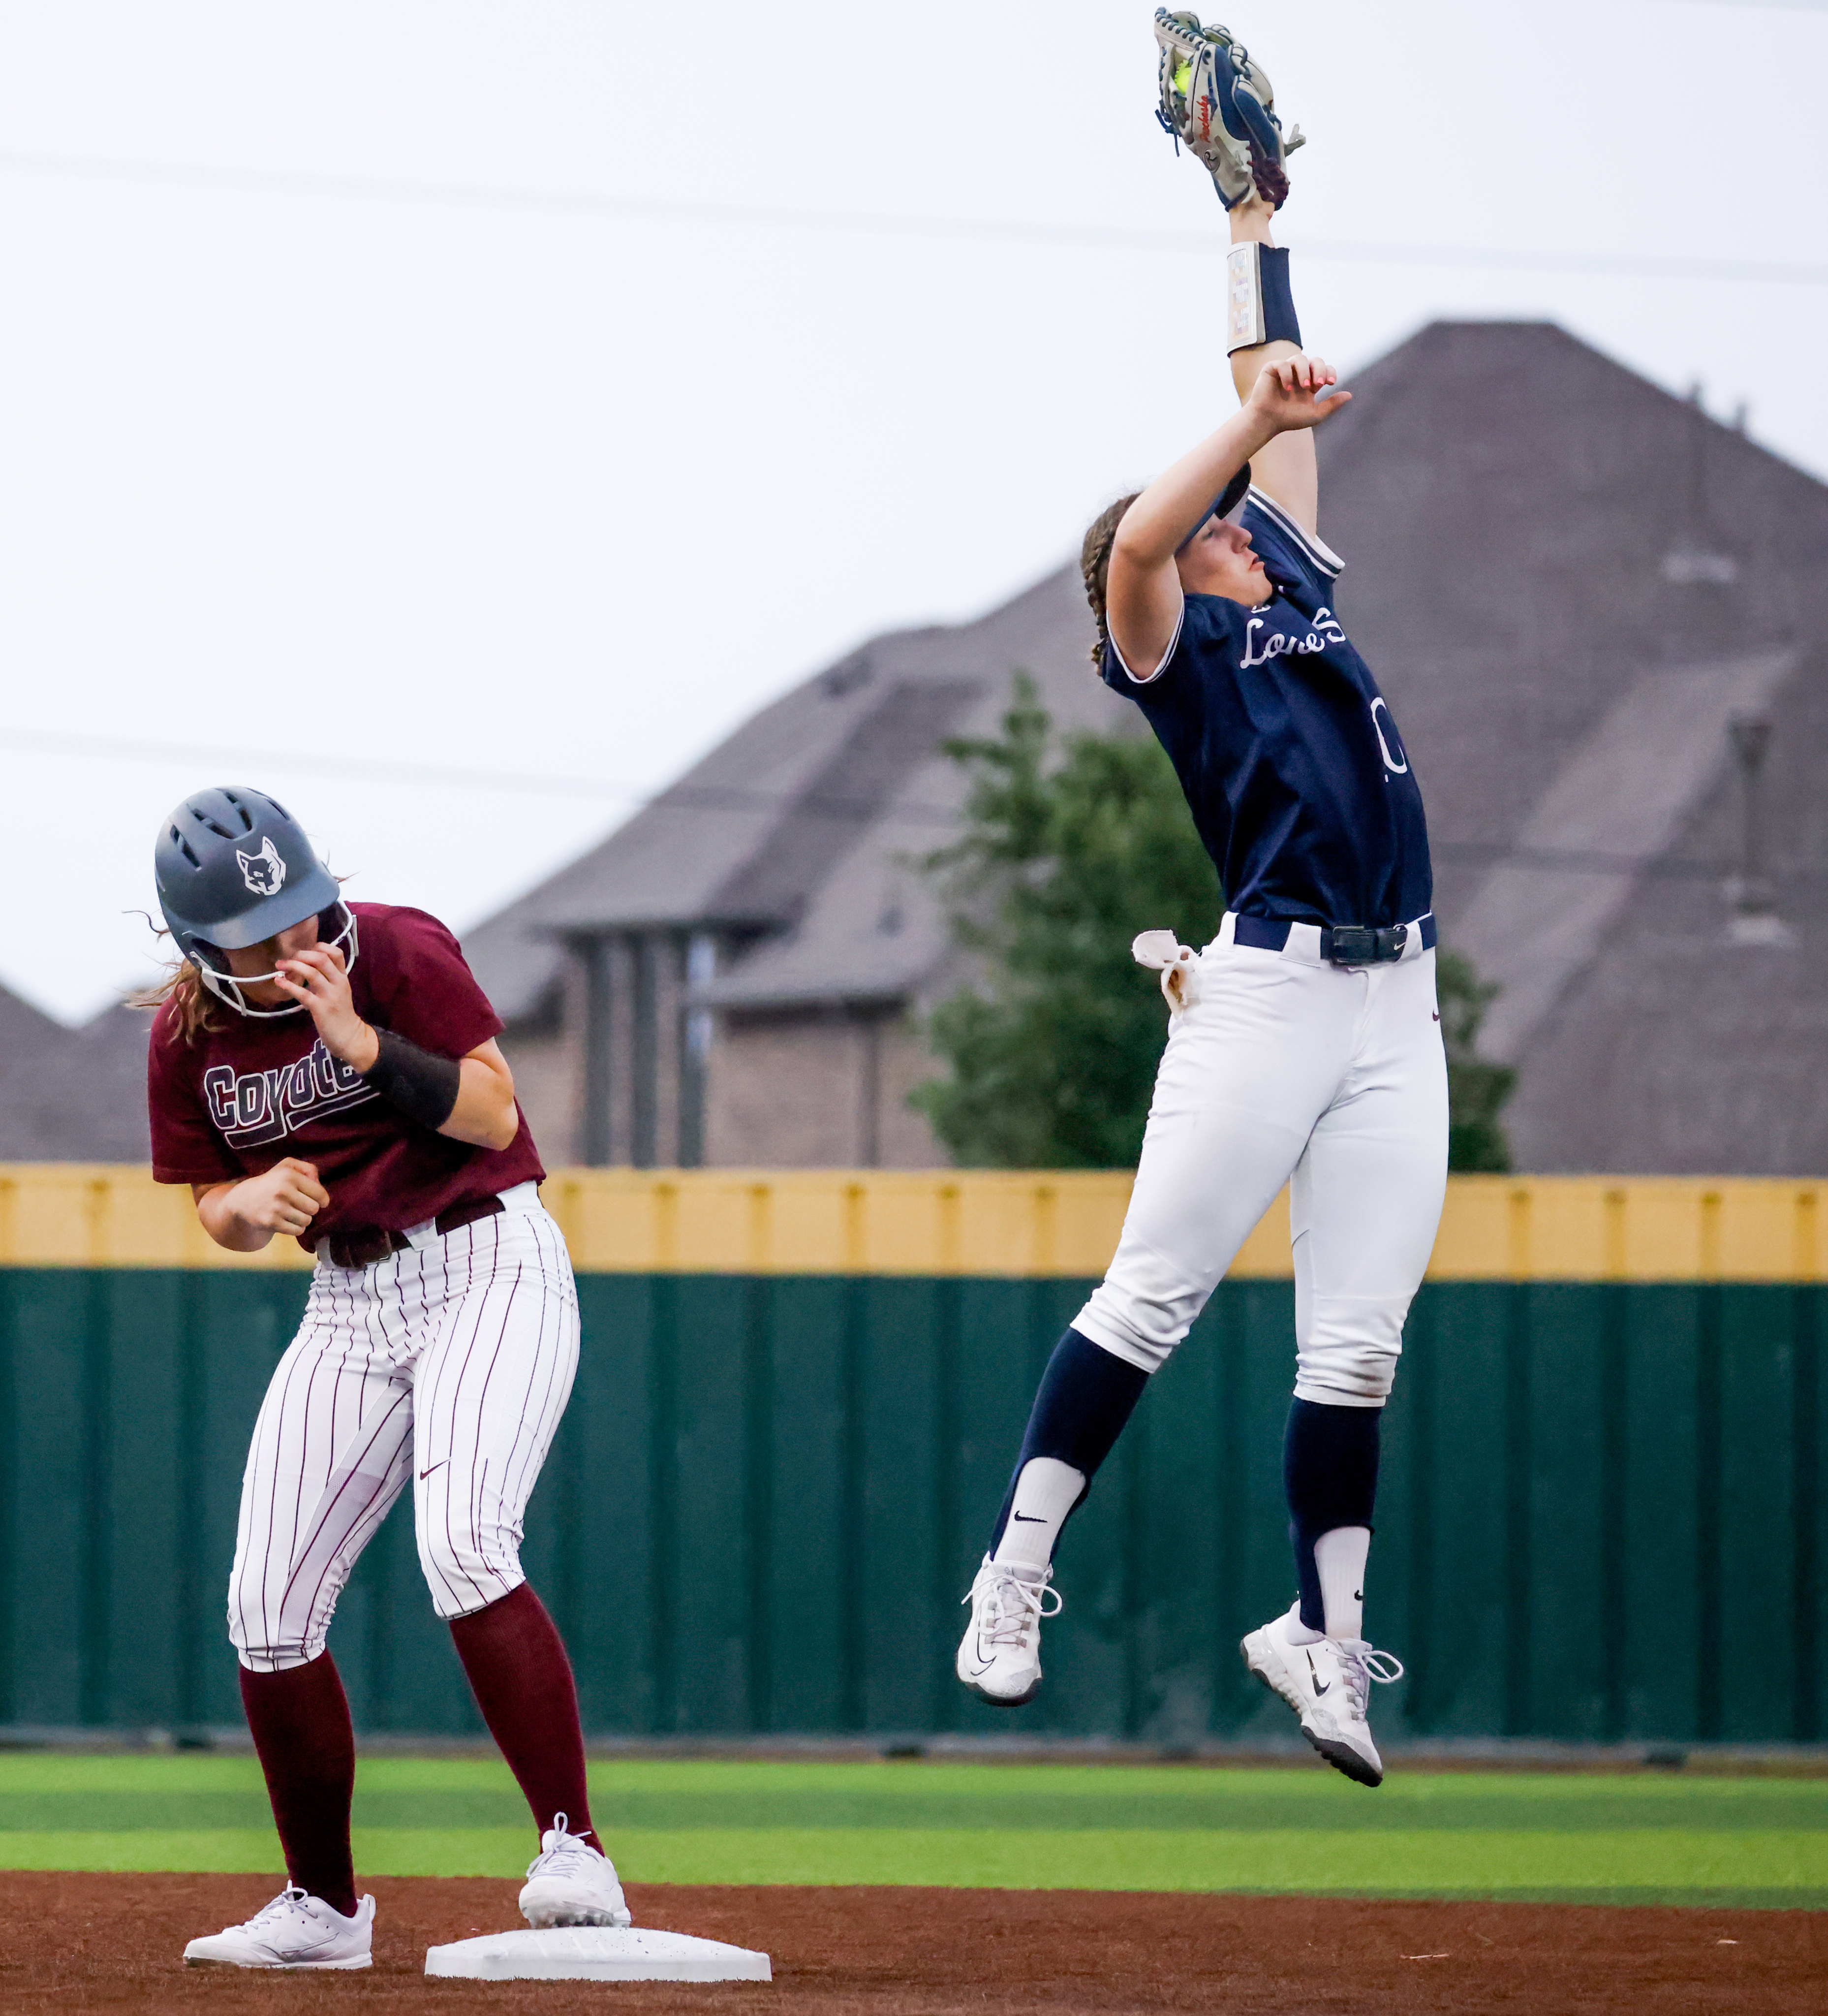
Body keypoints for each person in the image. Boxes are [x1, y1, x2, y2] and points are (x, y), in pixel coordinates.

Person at [955, 14, 1443, 1788]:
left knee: (1360, 1339)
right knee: (1153, 1291)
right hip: (1266, 990)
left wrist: (1251, 222)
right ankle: (1011, 1576)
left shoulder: (1292, 581)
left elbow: (1273, 379)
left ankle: (1323, 1644)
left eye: (1244, 499)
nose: (1247, 509)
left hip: (1397, 1000)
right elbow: (1151, 537)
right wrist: (1236, 419)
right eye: (1226, 500)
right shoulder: (1172, 634)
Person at [144, 786, 627, 1969]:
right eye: (264, 936)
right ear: (202, 952)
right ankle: (323, 1906)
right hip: (352, 1298)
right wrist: (251, 1205)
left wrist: (363, 1043)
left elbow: (492, 1107)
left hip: (484, 1256)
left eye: (306, 911)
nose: (300, 943)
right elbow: (216, 1206)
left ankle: (574, 1845)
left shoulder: (399, 946)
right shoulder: (187, 1038)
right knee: (264, 1606)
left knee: (465, 1542)